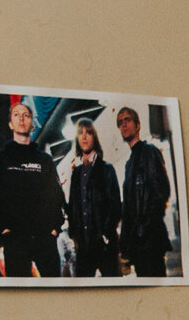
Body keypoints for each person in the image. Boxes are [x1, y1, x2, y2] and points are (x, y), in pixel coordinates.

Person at [0, 100, 63, 278]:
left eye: (26, 115)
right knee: (20, 295)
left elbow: (56, 194)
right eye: (16, 115)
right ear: (10, 123)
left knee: (54, 291)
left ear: (32, 124)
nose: (21, 119)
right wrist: (1, 229)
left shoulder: (44, 159)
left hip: (44, 237)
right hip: (15, 238)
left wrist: (55, 227)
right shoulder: (0, 159)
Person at [114, 105, 173, 276]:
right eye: (120, 122)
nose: (123, 125)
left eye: (127, 120)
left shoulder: (150, 152)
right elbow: (129, 209)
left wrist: (145, 227)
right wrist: (126, 246)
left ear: (138, 125)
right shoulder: (129, 164)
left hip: (150, 240)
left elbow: (161, 192)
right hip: (138, 244)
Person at [63, 117, 122, 278]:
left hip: (104, 245)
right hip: (83, 247)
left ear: (94, 137)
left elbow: (115, 205)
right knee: (84, 294)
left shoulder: (106, 169)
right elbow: (74, 206)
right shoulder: (76, 173)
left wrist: (105, 234)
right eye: (80, 133)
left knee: (115, 291)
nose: (84, 136)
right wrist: (74, 235)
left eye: (88, 132)